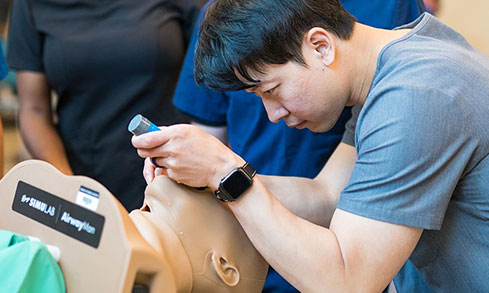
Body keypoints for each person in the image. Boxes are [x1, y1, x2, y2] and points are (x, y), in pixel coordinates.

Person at [132, 0, 489, 291]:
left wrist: (225, 174)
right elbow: (327, 195)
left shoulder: (414, 96)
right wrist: (208, 178)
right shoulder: (394, 68)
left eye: (271, 90)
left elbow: (347, 283)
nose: (272, 114)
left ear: (320, 46)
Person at [6, 0, 205, 211]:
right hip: (84, 181)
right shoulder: (31, 5)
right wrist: (68, 186)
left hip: (169, 180)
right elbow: (34, 110)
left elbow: (211, 94)